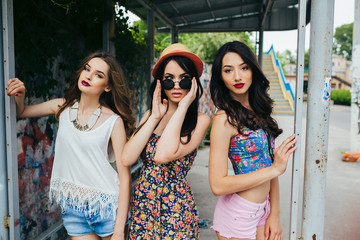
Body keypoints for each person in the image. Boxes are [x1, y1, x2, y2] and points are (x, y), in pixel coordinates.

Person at [7, 51, 135, 240]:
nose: (89, 76)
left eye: (98, 75)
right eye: (87, 69)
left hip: (106, 206)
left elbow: (125, 178)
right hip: (73, 206)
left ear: (107, 86)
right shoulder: (62, 107)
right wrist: (20, 95)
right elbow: (22, 111)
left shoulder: (113, 121)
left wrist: (118, 231)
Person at [208, 41, 297, 240]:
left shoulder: (258, 112)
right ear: (221, 77)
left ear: (253, 70)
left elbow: (269, 165)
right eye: (228, 70)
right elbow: (217, 185)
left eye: (244, 68)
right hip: (239, 214)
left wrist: (275, 214)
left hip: (263, 210)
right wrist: (274, 169)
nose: (237, 76)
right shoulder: (224, 119)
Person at [122, 43, 210, 239]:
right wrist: (154, 117)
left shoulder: (200, 121)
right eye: (169, 80)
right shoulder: (151, 115)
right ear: (160, 83)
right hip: (144, 204)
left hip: (176, 207)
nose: (176, 86)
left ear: (194, 83)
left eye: (184, 80)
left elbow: (163, 155)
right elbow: (127, 158)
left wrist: (183, 107)